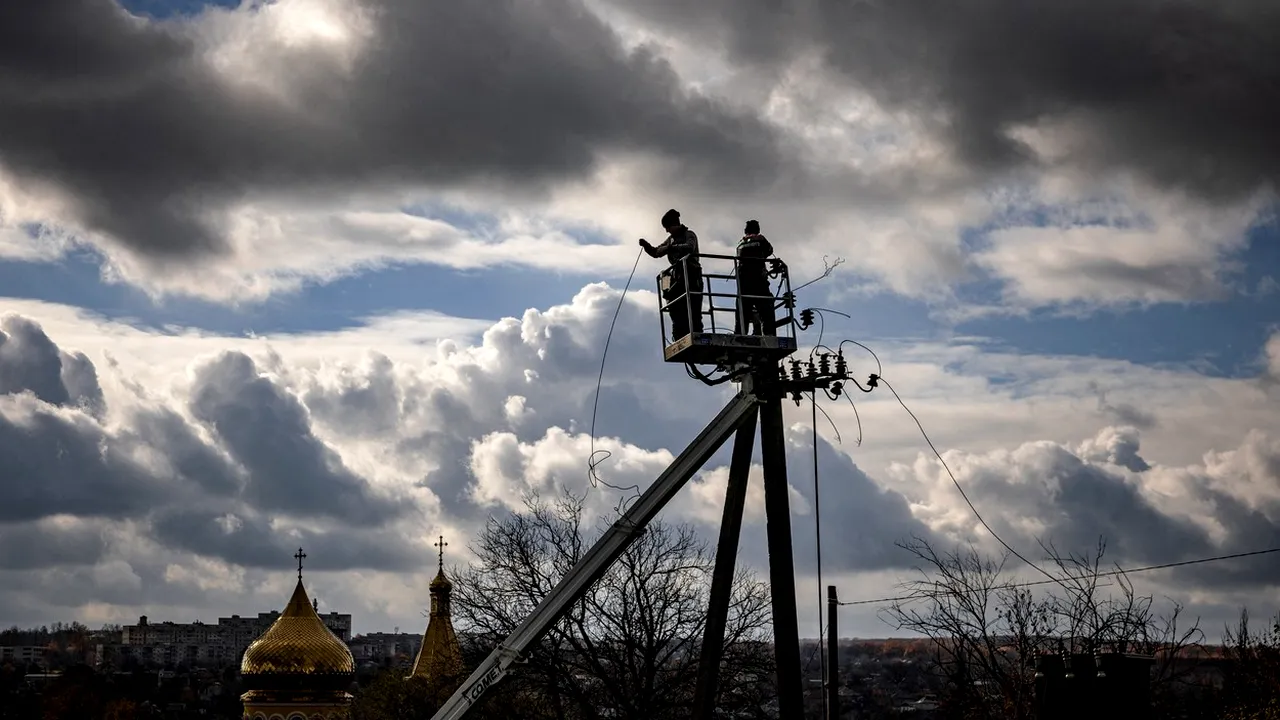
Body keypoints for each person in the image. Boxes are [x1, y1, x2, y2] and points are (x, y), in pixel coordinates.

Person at [640, 208, 704, 341]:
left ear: (674, 225)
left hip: (691, 276)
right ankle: (678, 335)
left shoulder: (689, 234)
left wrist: (672, 248)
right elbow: (656, 252)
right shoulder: (670, 240)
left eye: (667, 227)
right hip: (676, 277)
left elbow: (690, 248)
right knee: (672, 302)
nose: (666, 231)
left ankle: (696, 334)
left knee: (693, 310)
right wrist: (646, 246)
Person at [735, 219, 775, 335]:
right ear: (757, 229)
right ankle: (769, 334)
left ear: (745, 230)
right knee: (766, 308)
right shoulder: (761, 239)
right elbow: (769, 250)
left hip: (743, 282)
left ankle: (740, 334)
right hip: (758, 281)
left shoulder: (740, 243)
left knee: (742, 313)